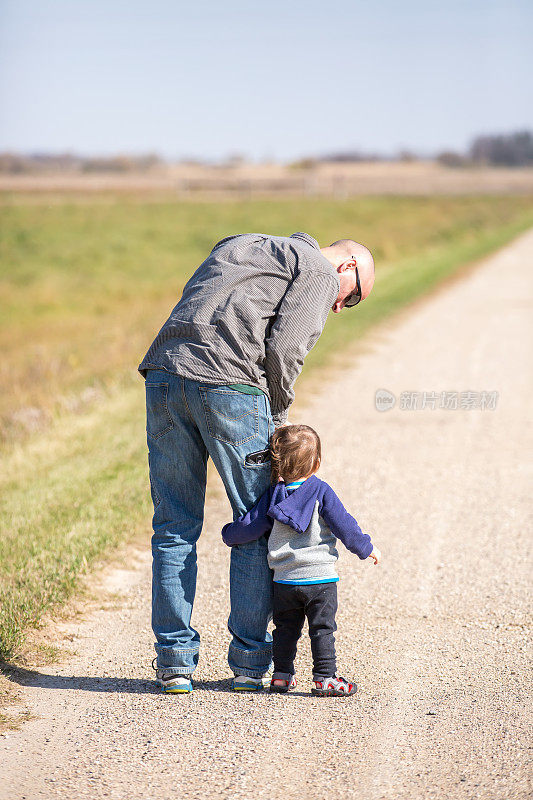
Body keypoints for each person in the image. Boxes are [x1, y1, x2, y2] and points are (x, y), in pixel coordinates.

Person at [138, 232, 375, 693]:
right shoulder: (321, 271)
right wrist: (278, 417)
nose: (341, 307)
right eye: (355, 297)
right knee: (256, 520)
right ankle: (248, 664)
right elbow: (285, 351)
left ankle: (174, 665)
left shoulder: (240, 243)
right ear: (347, 266)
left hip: (164, 375)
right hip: (230, 385)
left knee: (173, 525)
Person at [221, 424, 381, 696]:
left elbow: (251, 526)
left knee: (285, 629)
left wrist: (229, 534)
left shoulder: (272, 495)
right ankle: (325, 678)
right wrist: (366, 548)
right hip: (321, 580)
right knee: (322, 629)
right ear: (317, 463)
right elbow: (345, 526)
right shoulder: (321, 491)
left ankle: (282, 675)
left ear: (276, 465)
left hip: (285, 580)